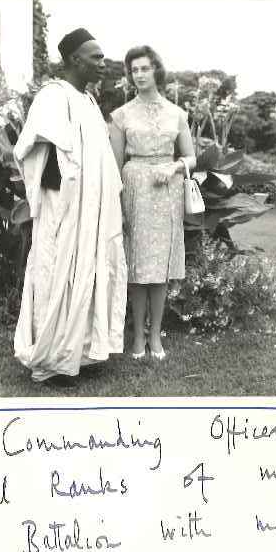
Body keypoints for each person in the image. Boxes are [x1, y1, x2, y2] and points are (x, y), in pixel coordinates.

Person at [13, 28, 127, 388]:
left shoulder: (88, 101)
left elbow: (99, 156)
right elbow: (34, 149)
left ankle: (79, 353)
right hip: (63, 206)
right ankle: (52, 359)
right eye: (96, 57)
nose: (103, 63)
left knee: (88, 273)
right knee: (57, 274)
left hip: (91, 208)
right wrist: (67, 193)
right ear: (75, 59)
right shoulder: (53, 96)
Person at [109, 46, 195, 361]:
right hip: (134, 189)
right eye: (134, 70)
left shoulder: (177, 114)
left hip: (166, 192)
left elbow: (191, 157)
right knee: (137, 265)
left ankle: (155, 335)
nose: (140, 75)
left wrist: (174, 167)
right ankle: (137, 336)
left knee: (159, 266)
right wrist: (117, 205)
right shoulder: (121, 115)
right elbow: (115, 166)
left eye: (145, 68)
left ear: (156, 70)